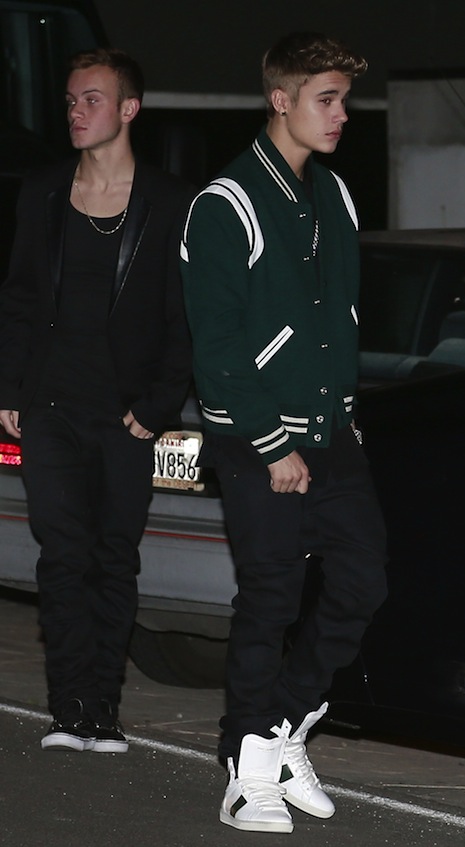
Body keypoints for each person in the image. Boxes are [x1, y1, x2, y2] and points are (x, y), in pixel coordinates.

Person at [180, 31, 387, 833]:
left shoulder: (334, 195)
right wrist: (272, 443)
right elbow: (217, 345)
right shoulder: (225, 202)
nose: (340, 115)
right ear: (280, 99)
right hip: (254, 436)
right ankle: (244, 768)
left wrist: (345, 416)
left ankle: (278, 728)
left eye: (344, 100)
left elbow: (341, 319)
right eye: (325, 99)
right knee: (270, 597)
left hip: (330, 432)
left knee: (363, 581)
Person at [0, 48, 193, 753]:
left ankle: (101, 710)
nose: (76, 111)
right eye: (71, 100)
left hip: (126, 416)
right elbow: (20, 296)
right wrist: (10, 386)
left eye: (92, 99)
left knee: (113, 557)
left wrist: (158, 404)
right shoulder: (44, 192)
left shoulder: (171, 202)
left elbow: (186, 315)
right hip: (51, 407)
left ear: (128, 109)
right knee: (62, 554)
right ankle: (68, 707)